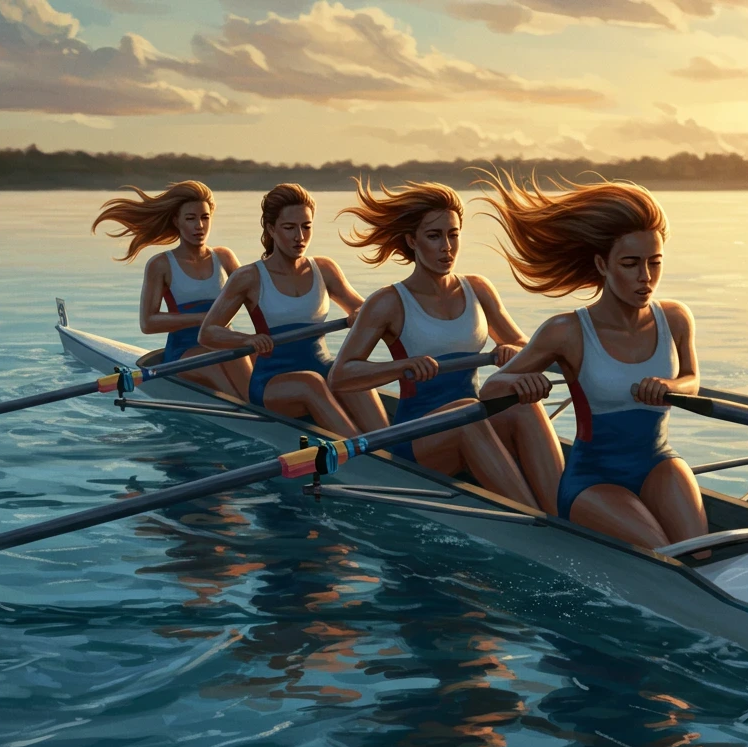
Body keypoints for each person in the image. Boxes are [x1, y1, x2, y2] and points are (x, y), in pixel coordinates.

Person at [476, 171, 708, 550]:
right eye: (631, 264)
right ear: (602, 265)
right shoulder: (565, 331)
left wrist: (670, 387)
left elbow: (691, 379)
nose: (646, 277)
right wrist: (521, 384)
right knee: (660, 554)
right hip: (593, 480)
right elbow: (491, 389)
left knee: (701, 552)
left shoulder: (676, 318)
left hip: (658, 461)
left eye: (655, 262)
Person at [329, 179, 562, 513]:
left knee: (523, 407)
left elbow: (522, 343)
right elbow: (341, 376)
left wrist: (512, 351)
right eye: (434, 236)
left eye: (453, 235)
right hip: (417, 437)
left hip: (472, 418)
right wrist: (401, 366)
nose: (446, 247)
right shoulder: (388, 302)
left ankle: (559, 516)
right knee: (466, 413)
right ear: (412, 241)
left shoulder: (478, 290)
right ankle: (538, 525)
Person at [198, 184, 386, 437]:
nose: (300, 236)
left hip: (322, 367)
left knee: (353, 374)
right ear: (271, 229)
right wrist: (248, 339)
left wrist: (358, 314)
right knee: (311, 383)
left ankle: (389, 450)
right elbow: (208, 333)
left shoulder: (325, 269)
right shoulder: (249, 277)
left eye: (306, 227)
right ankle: (366, 459)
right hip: (273, 382)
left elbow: (366, 310)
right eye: (289, 228)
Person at [92, 181, 250, 399]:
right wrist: (204, 318)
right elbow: (147, 323)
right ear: (176, 221)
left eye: (205, 218)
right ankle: (251, 411)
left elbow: (258, 300)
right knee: (223, 366)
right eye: (190, 218)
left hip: (224, 343)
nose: (199, 226)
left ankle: (258, 405)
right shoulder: (161, 265)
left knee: (251, 356)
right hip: (183, 352)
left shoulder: (224, 257)